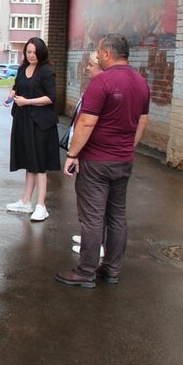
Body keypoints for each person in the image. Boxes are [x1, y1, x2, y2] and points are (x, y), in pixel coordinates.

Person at [56, 34, 150, 288]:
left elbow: (87, 122)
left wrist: (72, 154)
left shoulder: (103, 82)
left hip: (96, 161)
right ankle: (111, 270)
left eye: (99, 53)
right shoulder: (141, 82)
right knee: (117, 215)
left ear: (107, 54)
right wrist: (128, 146)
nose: (97, 57)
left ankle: (86, 271)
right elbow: (142, 120)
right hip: (123, 160)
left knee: (93, 217)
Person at [4, 37, 60, 222]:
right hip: (23, 120)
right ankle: (26, 202)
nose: (31, 55)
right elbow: (17, 86)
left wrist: (28, 102)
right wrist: (11, 95)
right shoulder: (22, 68)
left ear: (41, 53)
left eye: (35, 52)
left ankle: (41, 205)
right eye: (28, 52)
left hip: (40, 123)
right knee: (30, 162)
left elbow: (51, 97)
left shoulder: (46, 71)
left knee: (39, 164)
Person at [69, 50, 105, 257]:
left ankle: (94, 246)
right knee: (87, 197)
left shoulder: (101, 88)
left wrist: (74, 154)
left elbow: (88, 122)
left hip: (93, 153)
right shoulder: (97, 86)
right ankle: (90, 236)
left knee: (93, 202)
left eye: (91, 65)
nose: (87, 68)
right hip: (91, 152)